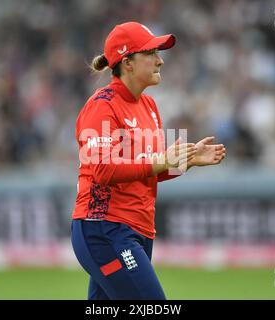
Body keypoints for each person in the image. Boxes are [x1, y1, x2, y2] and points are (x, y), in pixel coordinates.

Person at [71, 21, 226, 300]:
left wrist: (183, 161)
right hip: (104, 229)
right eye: (151, 53)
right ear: (127, 62)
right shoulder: (101, 106)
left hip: (137, 229)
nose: (160, 61)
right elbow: (105, 170)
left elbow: (146, 168)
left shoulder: (149, 105)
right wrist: (163, 160)